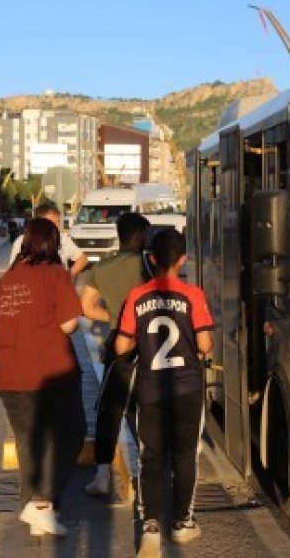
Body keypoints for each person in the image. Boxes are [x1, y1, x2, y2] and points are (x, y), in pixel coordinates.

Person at [114, 228, 214, 555]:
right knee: (185, 455)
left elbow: (121, 345)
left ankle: (152, 525)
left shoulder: (137, 295)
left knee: (152, 456)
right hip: (187, 387)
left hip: (151, 388)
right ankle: (183, 523)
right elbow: (203, 344)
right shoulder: (193, 294)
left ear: (152, 259)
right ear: (183, 259)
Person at [0, 218, 86, 538]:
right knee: (70, 433)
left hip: (8, 374)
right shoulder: (55, 274)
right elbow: (70, 324)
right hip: (49, 371)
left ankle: (35, 510)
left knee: (28, 442)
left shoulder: (8, 279)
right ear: (53, 245)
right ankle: (42, 504)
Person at [80, 211, 151, 498]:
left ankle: (102, 474)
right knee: (147, 409)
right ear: (136, 236)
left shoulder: (103, 267)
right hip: (148, 342)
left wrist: (113, 317)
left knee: (111, 410)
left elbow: (85, 307)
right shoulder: (147, 265)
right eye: (145, 235)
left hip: (116, 341)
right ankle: (149, 474)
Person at [7, 202, 88, 277]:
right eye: (52, 223)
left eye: (58, 222)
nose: (57, 226)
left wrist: (68, 276)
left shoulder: (63, 239)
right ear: (39, 223)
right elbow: (12, 270)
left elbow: (82, 259)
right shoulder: (22, 241)